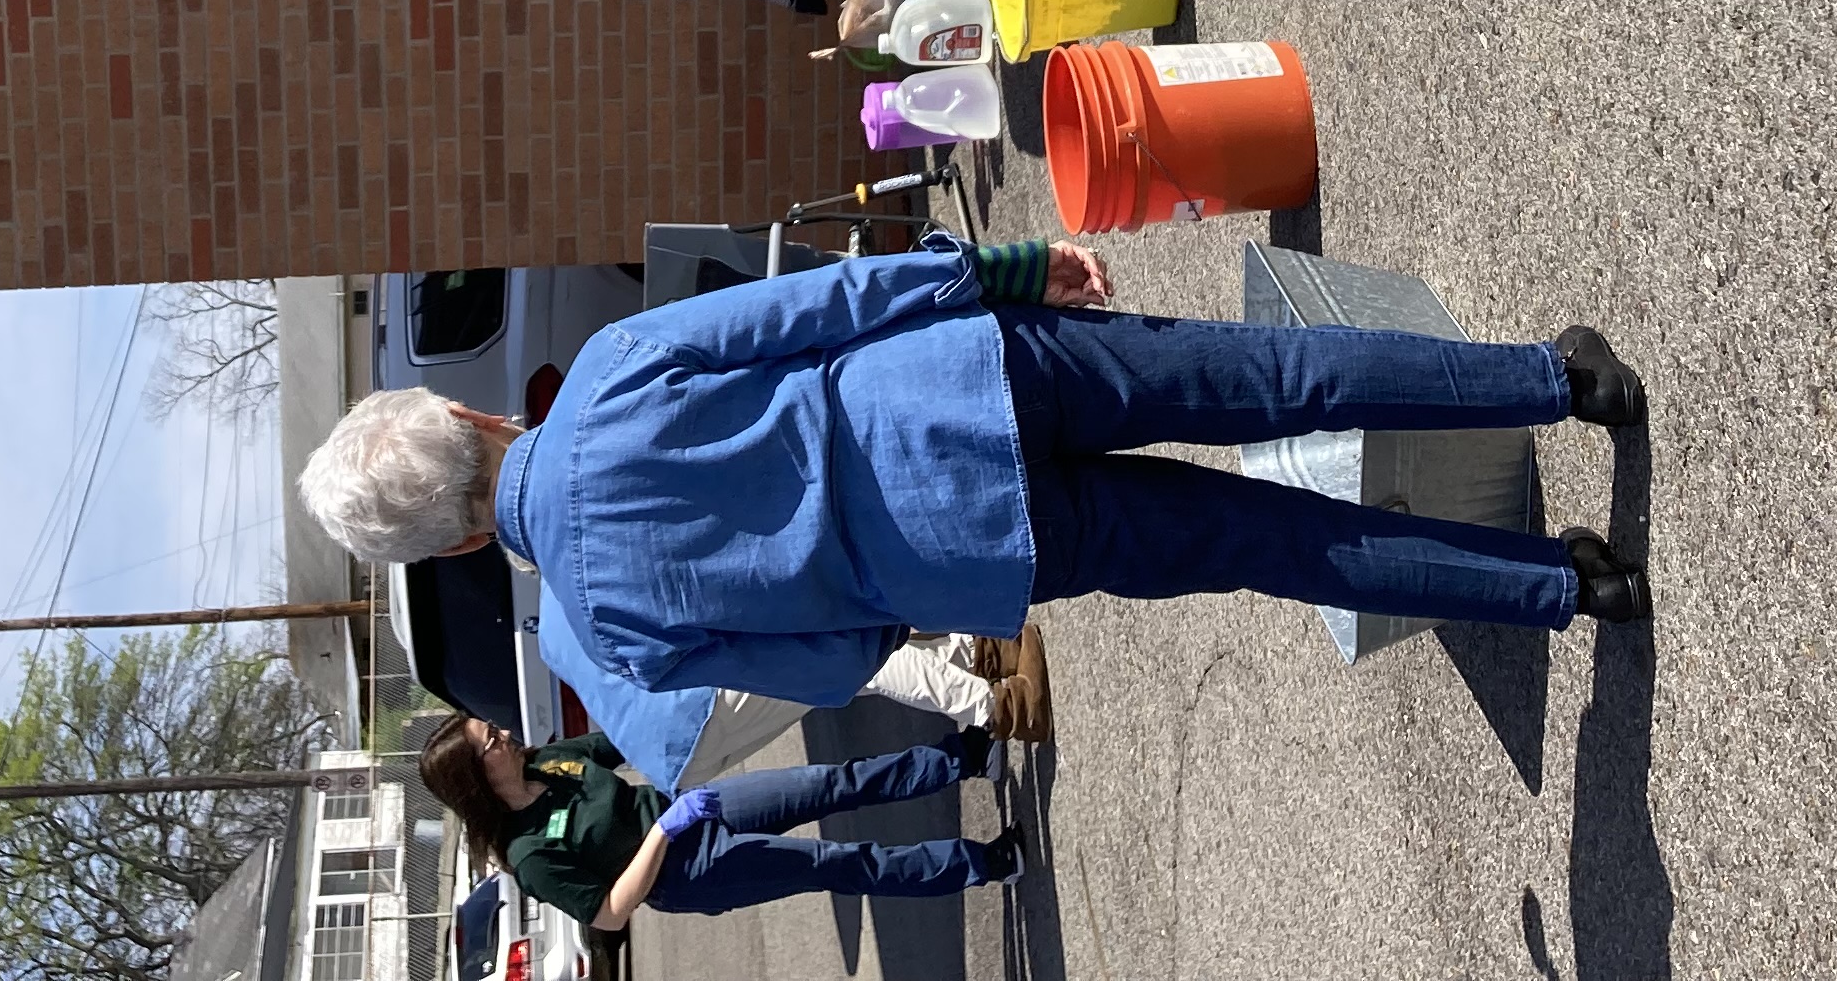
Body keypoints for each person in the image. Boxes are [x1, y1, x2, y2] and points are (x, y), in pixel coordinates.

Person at [296, 238, 1652, 788]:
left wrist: (877, 585)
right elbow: (814, 308)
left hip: (974, 552)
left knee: (1267, 545)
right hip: (960, 383)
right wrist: (995, 264)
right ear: (471, 420)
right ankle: (1558, 380)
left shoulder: (615, 637)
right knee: (1272, 380)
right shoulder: (598, 377)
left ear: (461, 545)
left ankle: (1565, 589)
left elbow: (832, 669)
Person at [417, 714, 1026, 926]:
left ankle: (965, 757)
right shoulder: (530, 856)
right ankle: (985, 863)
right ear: (477, 777)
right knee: (837, 862)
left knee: (830, 782)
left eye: (490, 728)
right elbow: (609, 912)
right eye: (490, 739)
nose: (502, 732)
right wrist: (663, 832)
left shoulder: (547, 760)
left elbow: (619, 743)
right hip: (688, 870)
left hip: (695, 808)